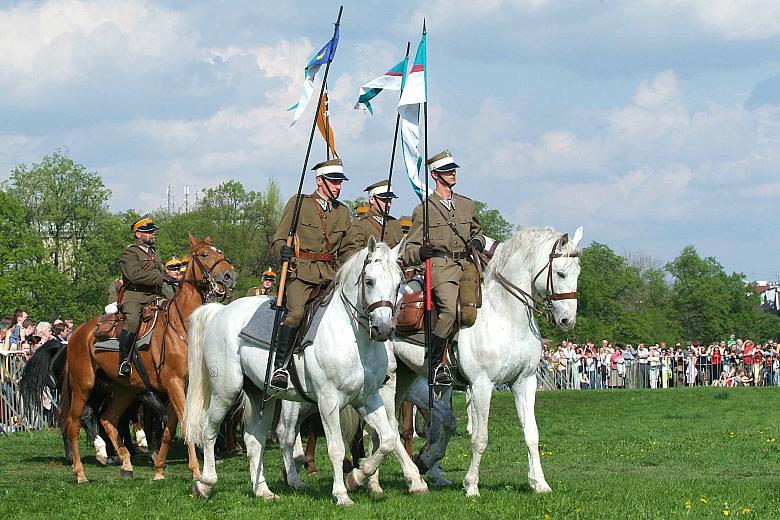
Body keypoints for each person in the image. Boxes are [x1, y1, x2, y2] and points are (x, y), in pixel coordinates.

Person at [402, 150, 485, 386]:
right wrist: (420, 252)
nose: (452, 174)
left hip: (466, 264)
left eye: (453, 170)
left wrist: (477, 242)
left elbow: (478, 232)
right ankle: (436, 362)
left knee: (479, 304)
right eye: (447, 171)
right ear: (435, 175)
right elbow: (409, 250)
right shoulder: (424, 210)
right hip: (440, 267)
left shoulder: (467, 205)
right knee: (449, 311)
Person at [269, 158, 351, 390]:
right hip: (301, 271)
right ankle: (280, 367)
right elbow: (279, 237)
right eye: (333, 181)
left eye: (339, 182)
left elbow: (347, 249)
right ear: (319, 181)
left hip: (330, 274)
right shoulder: (299, 203)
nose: (338, 186)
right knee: (295, 314)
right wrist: (282, 251)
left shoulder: (343, 212)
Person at [117, 216, 165, 378]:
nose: (153, 234)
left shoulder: (155, 252)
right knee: (132, 321)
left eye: (153, 231)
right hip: (135, 296)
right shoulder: (130, 252)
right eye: (149, 231)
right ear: (138, 234)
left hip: (155, 295)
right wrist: (161, 278)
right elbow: (134, 275)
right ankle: (124, 361)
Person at [342, 180, 404, 258]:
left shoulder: (395, 223)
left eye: (390, 200)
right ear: (372, 199)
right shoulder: (360, 224)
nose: (388, 204)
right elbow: (354, 254)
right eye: (384, 200)